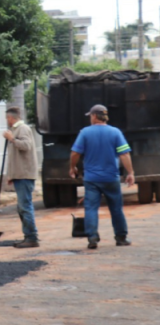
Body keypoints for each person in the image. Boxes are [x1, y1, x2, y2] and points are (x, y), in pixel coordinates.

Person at [70, 104, 134, 250]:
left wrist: (72, 167)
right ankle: (121, 238)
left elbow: (75, 153)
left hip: (91, 179)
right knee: (116, 208)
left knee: (91, 208)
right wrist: (130, 173)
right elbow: (124, 154)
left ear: (94, 116)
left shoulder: (85, 133)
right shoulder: (115, 132)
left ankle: (92, 238)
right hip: (111, 178)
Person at [3, 106, 40, 248]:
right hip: (20, 174)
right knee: (22, 207)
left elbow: (26, 145)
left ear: (11, 118)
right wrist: (11, 174)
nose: (7, 121)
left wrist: (12, 139)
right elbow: (14, 157)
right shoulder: (15, 130)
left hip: (25, 174)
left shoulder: (23, 129)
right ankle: (28, 236)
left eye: (7, 118)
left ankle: (32, 237)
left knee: (25, 206)